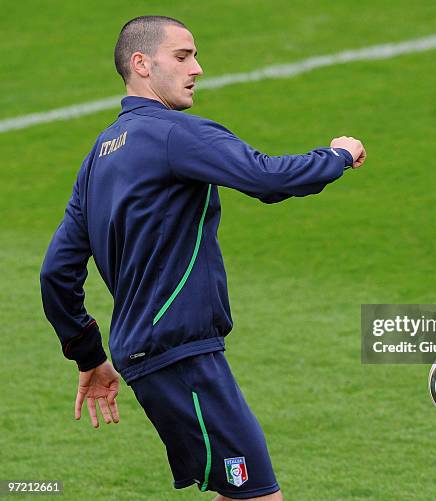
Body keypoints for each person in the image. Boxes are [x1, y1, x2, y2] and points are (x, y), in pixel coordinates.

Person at [40, 15, 366, 500]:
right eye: (183, 55)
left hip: (153, 354)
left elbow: (56, 274)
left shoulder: (97, 159)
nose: (198, 68)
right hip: (179, 354)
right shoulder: (174, 133)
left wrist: (88, 355)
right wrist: (336, 156)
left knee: (238, 492)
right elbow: (267, 178)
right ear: (141, 64)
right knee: (259, 497)